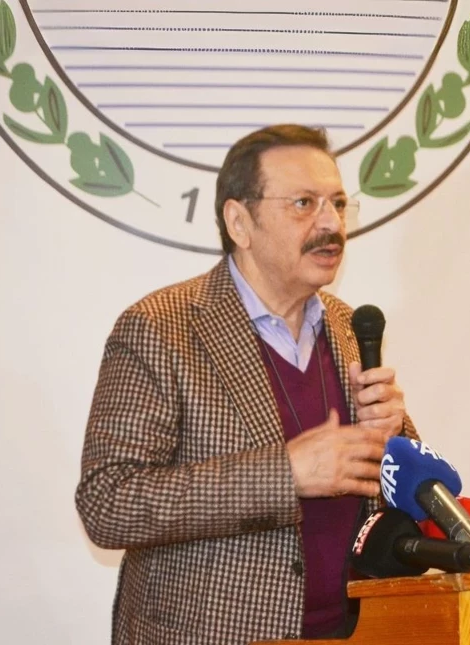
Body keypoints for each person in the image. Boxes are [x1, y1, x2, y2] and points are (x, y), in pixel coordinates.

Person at [75, 125, 418, 644]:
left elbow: (396, 492)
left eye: (338, 204)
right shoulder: (161, 328)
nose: (331, 224)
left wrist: (396, 436)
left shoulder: (349, 326)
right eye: (303, 203)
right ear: (240, 221)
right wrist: (286, 474)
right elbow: (109, 503)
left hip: (355, 632)